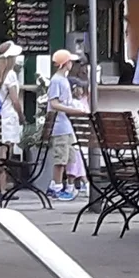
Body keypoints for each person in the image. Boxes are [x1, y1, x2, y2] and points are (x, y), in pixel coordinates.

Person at [47, 49, 87, 201]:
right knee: (60, 159)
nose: (72, 64)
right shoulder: (57, 81)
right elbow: (54, 103)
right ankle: (56, 187)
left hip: (66, 124)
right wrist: (72, 110)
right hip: (60, 125)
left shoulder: (63, 79)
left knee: (69, 156)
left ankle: (67, 186)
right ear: (65, 64)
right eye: (70, 61)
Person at [0, 40, 25, 202]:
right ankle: (2, 189)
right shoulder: (10, 75)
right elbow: (15, 100)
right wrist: (22, 116)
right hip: (8, 118)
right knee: (3, 155)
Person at [66, 83, 90, 197]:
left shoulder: (71, 104)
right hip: (83, 138)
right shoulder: (84, 103)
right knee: (76, 157)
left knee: (73, 158)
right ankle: (84, 183)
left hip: (74, 138)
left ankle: (71, 185)